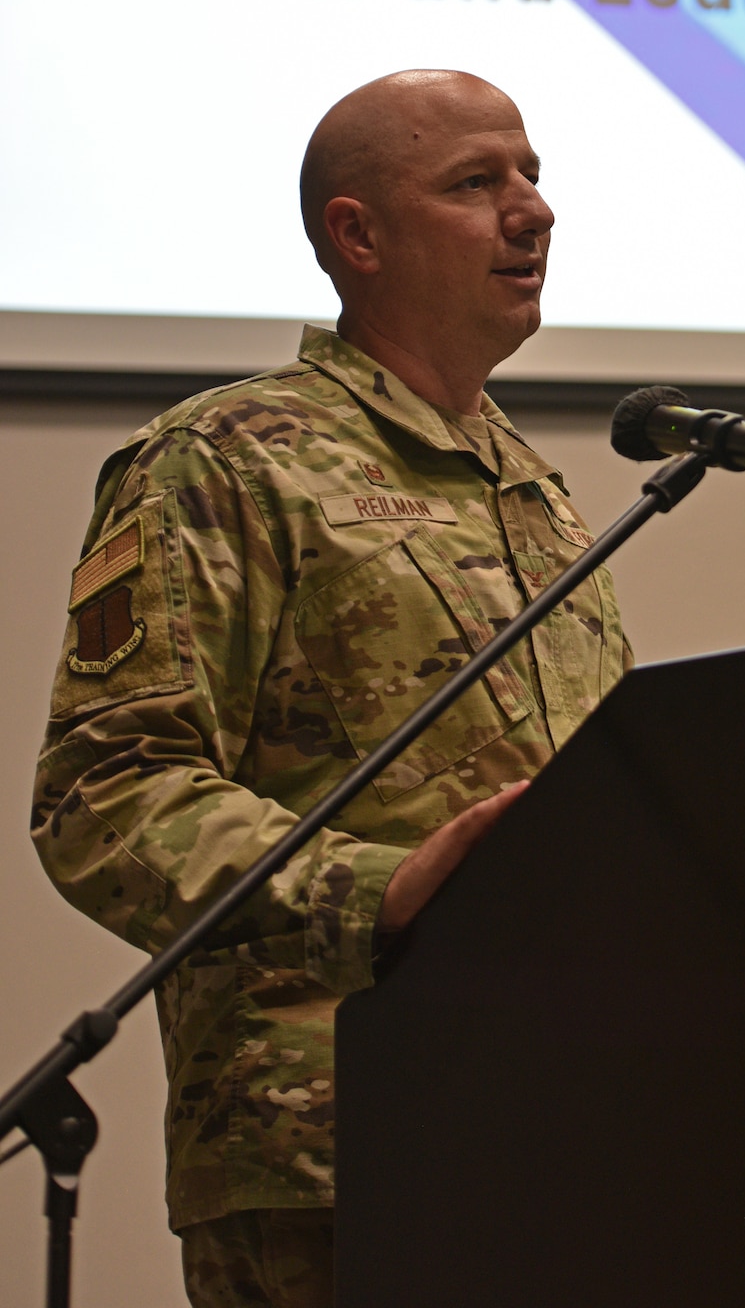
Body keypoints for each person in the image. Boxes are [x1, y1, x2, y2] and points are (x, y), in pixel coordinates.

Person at [31, 70, 631, 1308]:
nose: (533, 211)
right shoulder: (227, 458)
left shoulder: (543, 493)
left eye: (531, 174)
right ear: (357, 235)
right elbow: (106, 796)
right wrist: (377, 888)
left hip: (560, 1135)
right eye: (477, 183)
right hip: (333, 1157)